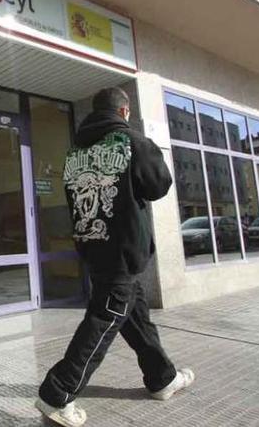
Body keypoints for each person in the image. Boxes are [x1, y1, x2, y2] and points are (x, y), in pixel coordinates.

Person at [35, 87, 194, 427]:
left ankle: (162, 378)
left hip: (93, 246)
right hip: (122, 251)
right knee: (103, 320)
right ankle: (57, 394)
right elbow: (158, 186)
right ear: (124, 112)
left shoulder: (74, 151)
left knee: (134, 316)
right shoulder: (133, 142)